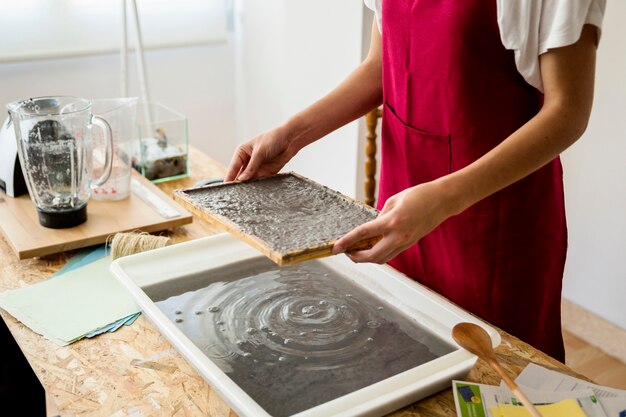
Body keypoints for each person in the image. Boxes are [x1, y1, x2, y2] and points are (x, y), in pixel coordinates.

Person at [224, 0, 606, 362]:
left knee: (495, 377)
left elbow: (567, 111)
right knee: (405, 354)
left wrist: (443, 199)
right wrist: (290, 136)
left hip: (493, 221)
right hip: (402, 200)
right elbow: (380, 67)